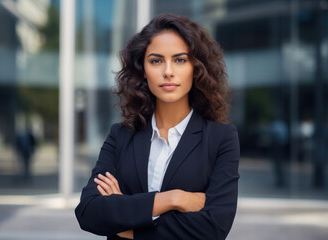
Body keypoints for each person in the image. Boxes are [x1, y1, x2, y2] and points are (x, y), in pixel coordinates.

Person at [75, 14, 240, 240]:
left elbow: (213, 228)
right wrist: (173, 199)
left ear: (196, 67)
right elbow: (89, 212)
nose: (168, 71)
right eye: (156, 60)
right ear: (143, 69)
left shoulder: (221, 138)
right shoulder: (121, 135)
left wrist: (125, 221)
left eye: (180, 60)